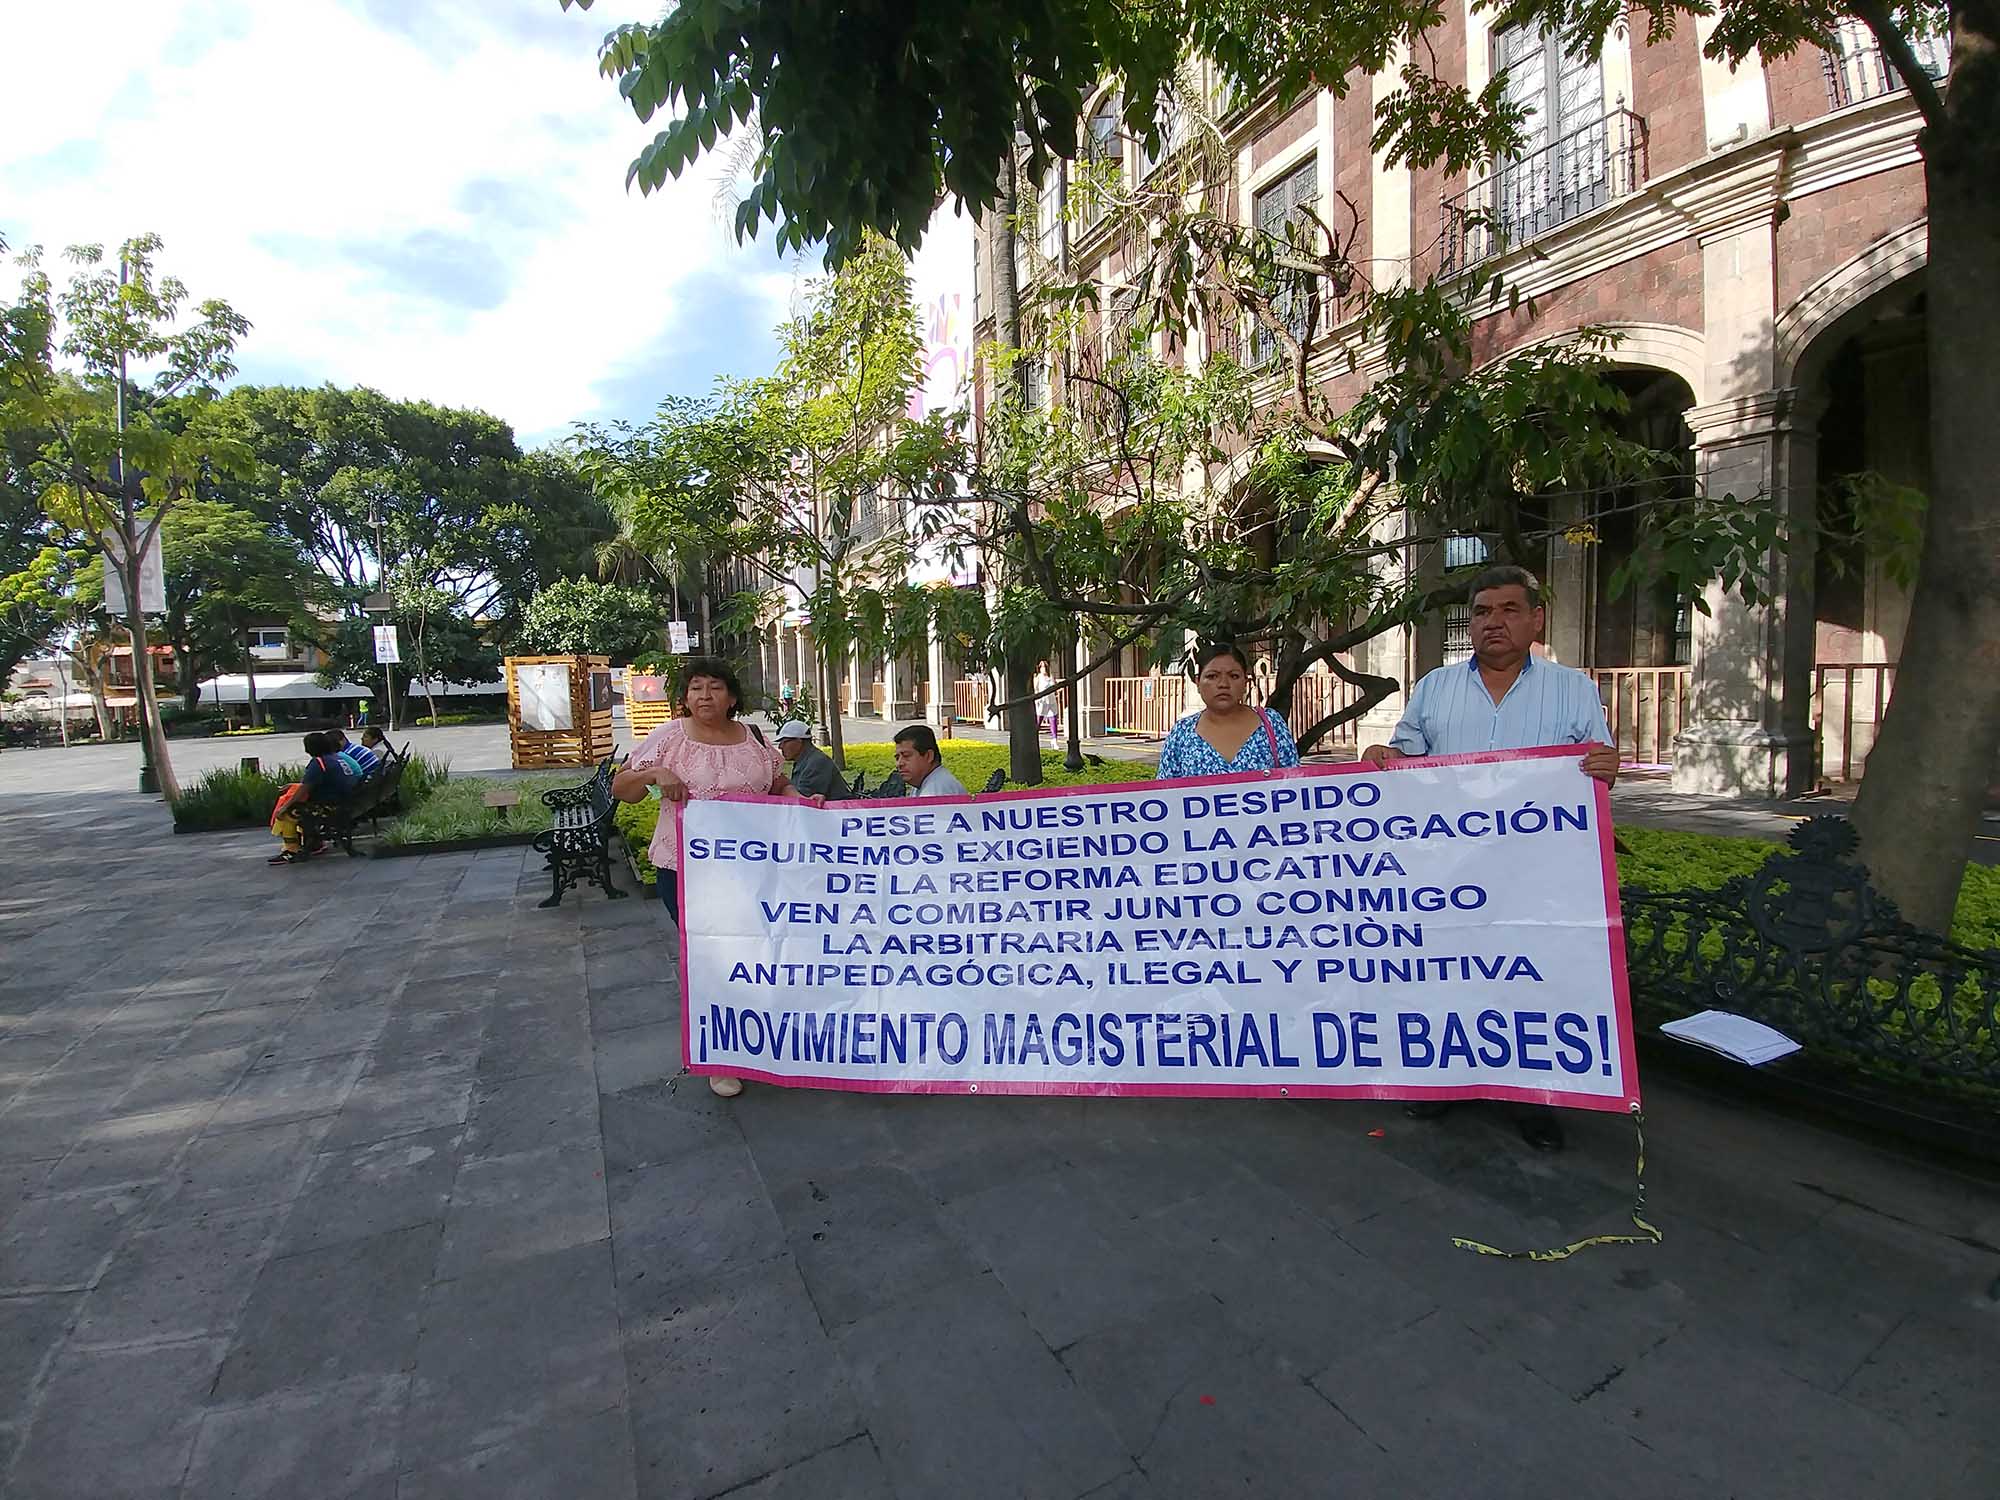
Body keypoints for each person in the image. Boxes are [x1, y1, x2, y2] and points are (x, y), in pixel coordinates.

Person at [1360, 563, 1619, 1152]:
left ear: (1536, 619)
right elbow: (1407, 760)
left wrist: (1607, 769)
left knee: (1530, 980)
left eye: (1508, 610)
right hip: (1451, 871)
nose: (1492, 622)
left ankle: (1533, 1096)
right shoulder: (1434, 688)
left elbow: (1593, 768)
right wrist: (1384, 756)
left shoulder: (1573, 690)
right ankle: (1446, 1081)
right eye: (1481, 612)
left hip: (1537, 872)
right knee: (1450, 975)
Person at [613, 657, 800, 1099]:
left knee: (757, 957)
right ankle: (722, 1058)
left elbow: (777, 782)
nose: (704, 696)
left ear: (732, 696)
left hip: (754, 873)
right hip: (687, 873)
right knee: (712, 961)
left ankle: (763, 1039)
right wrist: (654, 773)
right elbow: (623, 788)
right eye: (696, 687)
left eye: (714, 687)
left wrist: (797, 798)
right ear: (685, 696)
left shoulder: (753, 738)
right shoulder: (669, 737)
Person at [1154, 643, 1301, 779]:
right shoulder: (1181, 733)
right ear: (1198, 682)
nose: (1223, 684)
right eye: (1212, 676)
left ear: (1245, 682)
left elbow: (1294, 783)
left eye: (1234, 676)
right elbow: (1165, 791)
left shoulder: (1271, 722)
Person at [268, 731, 360, 865]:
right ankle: (315, 844)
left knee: (289, 813)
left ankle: (291, 850)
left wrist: (285, 807)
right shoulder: (337, 759)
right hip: (344, 803)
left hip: (330, 807)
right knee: (297, 807)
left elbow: (304, 789)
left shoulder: (318, 762)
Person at [893, 724, 967, 797]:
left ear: (929, 756)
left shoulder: (936, 791)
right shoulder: (927, 781)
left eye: (906, 756)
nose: (899, 764)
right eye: (897, 758)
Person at [776, 720, 844, 799]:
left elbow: (802, 799)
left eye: (784, 742)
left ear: (799, 741)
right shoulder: (805, 760)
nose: (780, 747)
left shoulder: (817, 763)